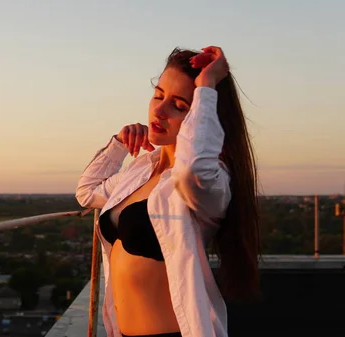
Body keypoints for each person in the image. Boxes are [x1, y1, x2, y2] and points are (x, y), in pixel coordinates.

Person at [75, 46, 260, 337]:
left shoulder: (207, 185)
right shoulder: (141, 171)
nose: (159, 111)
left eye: (179, 106)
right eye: (158, 95)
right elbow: (87, 192)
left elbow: (192, 168)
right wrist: (120, 144)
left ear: (202, 114)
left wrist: (208, 86)